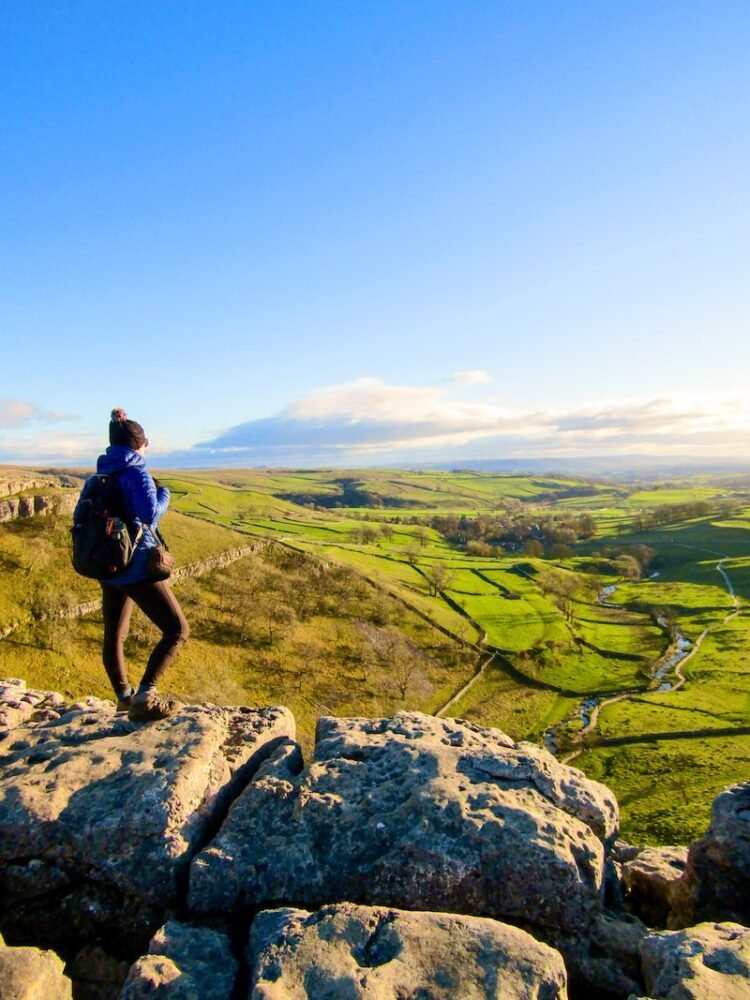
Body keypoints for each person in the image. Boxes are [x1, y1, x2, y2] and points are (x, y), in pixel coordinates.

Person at [75, 408, 189, 721]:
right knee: (177, 629)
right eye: (145, 444)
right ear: (138, 445)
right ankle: (146, 696)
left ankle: (124, 697)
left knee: (115, 634)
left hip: (109, 565)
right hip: (136, 566)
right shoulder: (136, 472)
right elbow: (150, 514)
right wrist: (164, 494)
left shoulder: (99, 476)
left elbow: (80, 518)